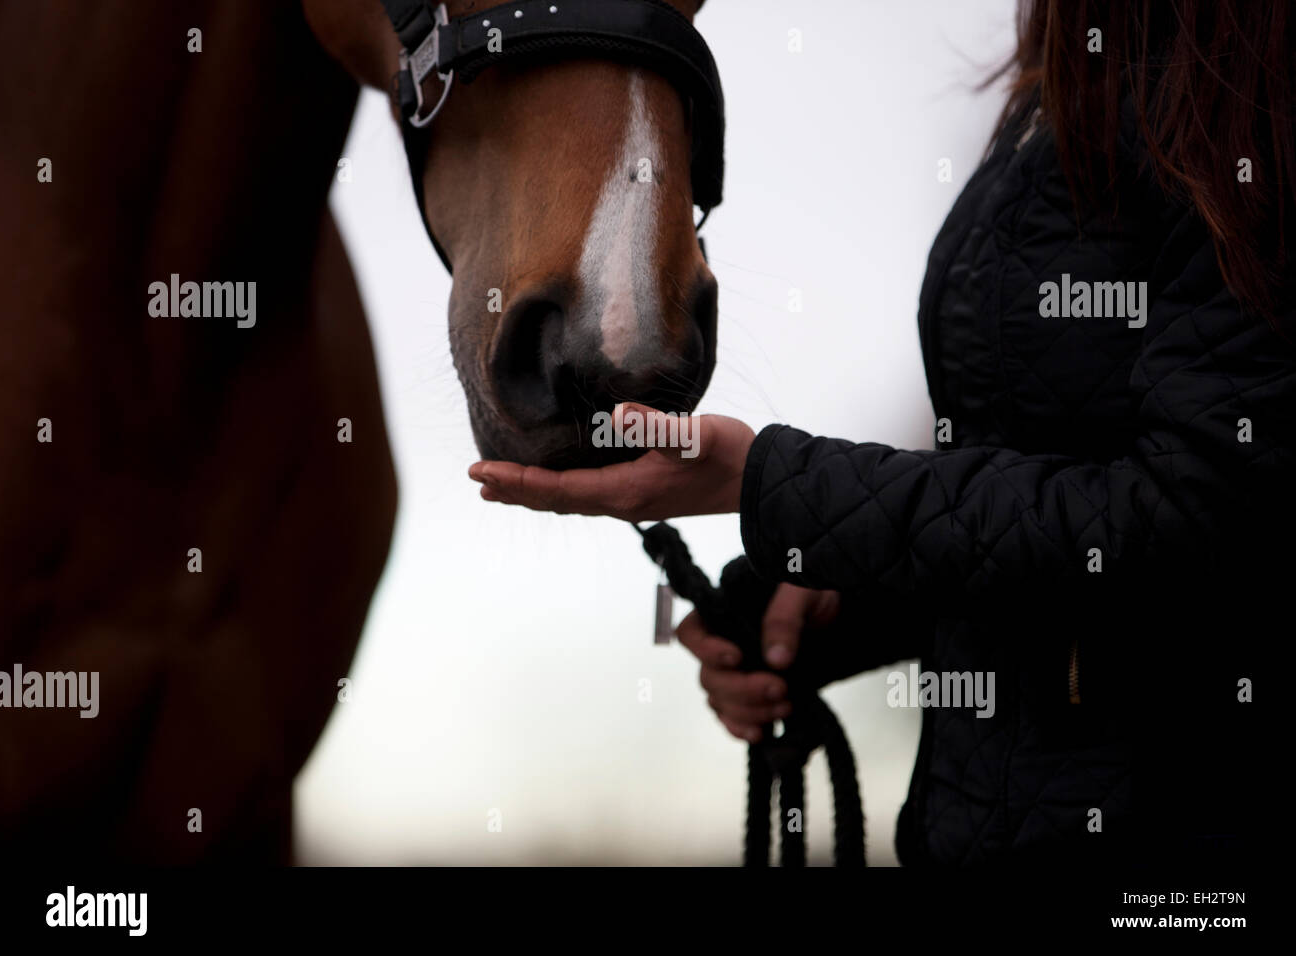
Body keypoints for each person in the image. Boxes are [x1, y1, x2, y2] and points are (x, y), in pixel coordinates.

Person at [468, 0, 1290, 867]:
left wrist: (772, 486)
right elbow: (1059, 496)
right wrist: (846, 596)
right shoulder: (1071, 80)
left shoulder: (1250, 89)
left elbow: (1212, 525)